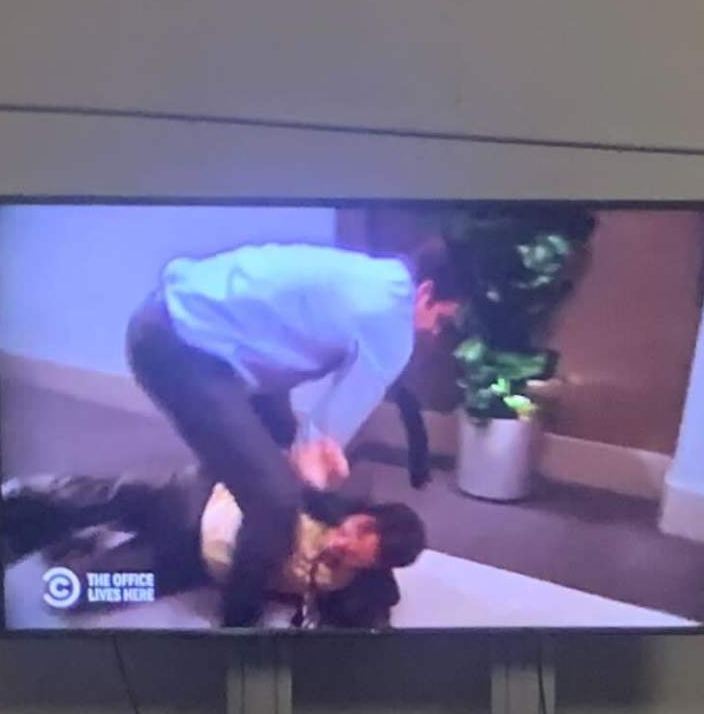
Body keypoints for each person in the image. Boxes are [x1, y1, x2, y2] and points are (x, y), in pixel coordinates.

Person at [127, 238, 464, 626]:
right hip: (182, 347)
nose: (436, 332)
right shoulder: (392, 326)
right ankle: (238, 628)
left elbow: (303, 444)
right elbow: (315, 449)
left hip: (187, 322)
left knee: (275, 457)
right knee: (276, 502)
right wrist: (316, 477)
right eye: (441, 319)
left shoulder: (377, 272)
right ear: (425, 295)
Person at [1, 472, 429, 630]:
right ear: (363, 514)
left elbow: (373, 611)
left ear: (374, 565)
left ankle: (74, 548)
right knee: (102, 498)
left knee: (71, 593)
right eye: (356, 530)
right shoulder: (325, 499)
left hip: (191, 565)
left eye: (359, 552)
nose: (343, 543)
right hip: (194, 502)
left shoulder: (351, 585)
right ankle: (18, 500)